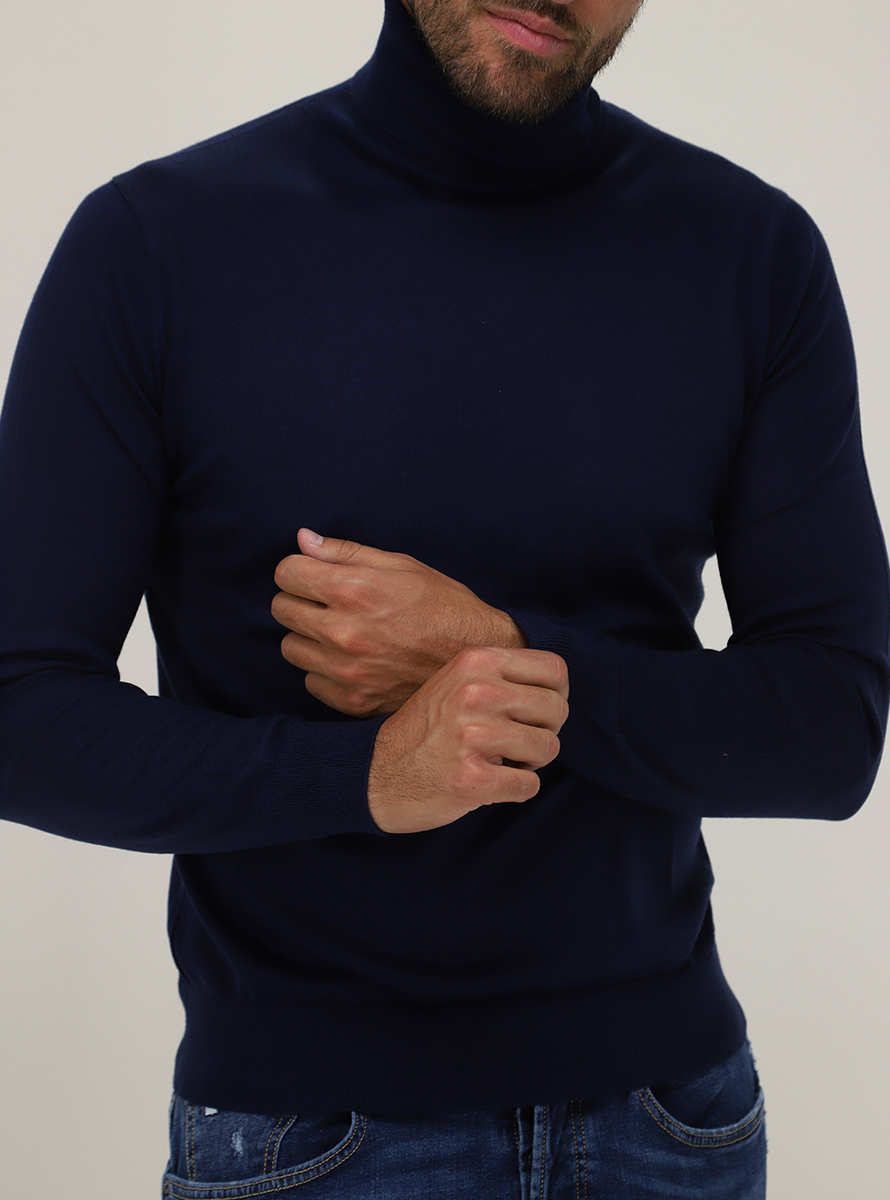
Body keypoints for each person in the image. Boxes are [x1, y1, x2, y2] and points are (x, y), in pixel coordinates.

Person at [1, 0, 887, 1195]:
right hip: (309, 1134)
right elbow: (19, 708)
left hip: (670, 1125)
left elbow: (832, 729)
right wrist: (366, 777)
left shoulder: (750, 253)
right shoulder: (156, 244)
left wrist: (503, 655)